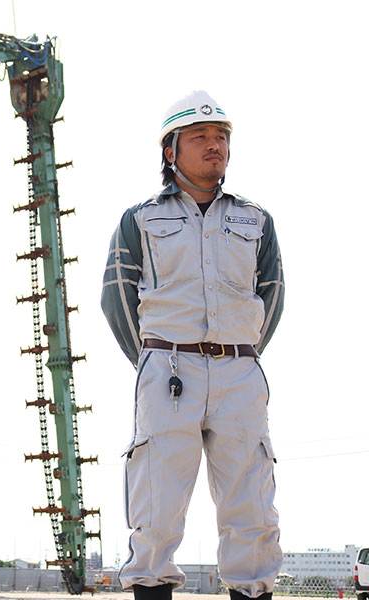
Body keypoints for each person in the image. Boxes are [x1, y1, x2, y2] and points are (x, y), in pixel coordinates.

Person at [100, 90, 284, 600]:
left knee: (252, 506)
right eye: (200, 136)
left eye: (221, 136)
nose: (214, 145)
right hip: (167, 369)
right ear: (170, 150)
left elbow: (272, 294)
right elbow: (117, 298)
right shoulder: (139, 220)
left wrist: (239, 353)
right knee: (156, 506)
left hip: (240, 372)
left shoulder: (256, 220)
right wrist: (153, 358)